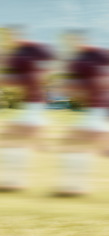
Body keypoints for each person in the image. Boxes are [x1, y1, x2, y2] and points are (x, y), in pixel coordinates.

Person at [0, 27, 54, 191]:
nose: (12, 39)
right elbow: (8, 77)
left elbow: (51, 58)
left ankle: (14, 181)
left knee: (12, 138)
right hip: (30, 105)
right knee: (13, 138)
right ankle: (14, 179)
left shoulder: (34, 49)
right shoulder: (15, 56)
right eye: (9, 37)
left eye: (14, 35)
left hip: (35, 104)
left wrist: (44, 72)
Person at [54, 33, 109, 196]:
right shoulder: (75, 62)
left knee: (74, 144)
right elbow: (69, 86)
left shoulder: (99, 55)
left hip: (99, 107)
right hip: (94, 109)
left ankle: (75, 186)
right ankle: (75, 185)